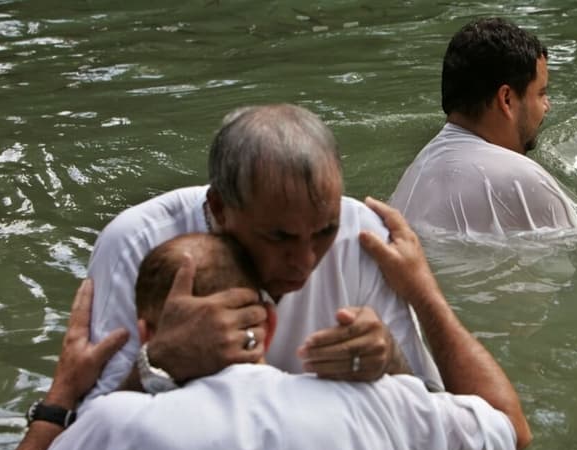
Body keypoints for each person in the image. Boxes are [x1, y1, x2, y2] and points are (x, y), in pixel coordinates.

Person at [0, 203, 531, 450]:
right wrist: (422, 292)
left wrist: (59, 399)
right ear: (269, 319)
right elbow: (510, 426)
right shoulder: (379, 408)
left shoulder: (112, 429)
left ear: (145, 333)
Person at [84, 103, 442, 402]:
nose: (304, 264)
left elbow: (434, 411)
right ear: (220, 209)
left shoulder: (363, 235)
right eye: (278, 237)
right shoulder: (135, 242)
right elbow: (91, 440)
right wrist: (161, 361)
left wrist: (390, 361)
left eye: (324, 232)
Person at [389, 17, 577, 236]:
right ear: (506, 99)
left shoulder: (417, 173)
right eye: (541, 93)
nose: (547, 105)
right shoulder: (521, 178)